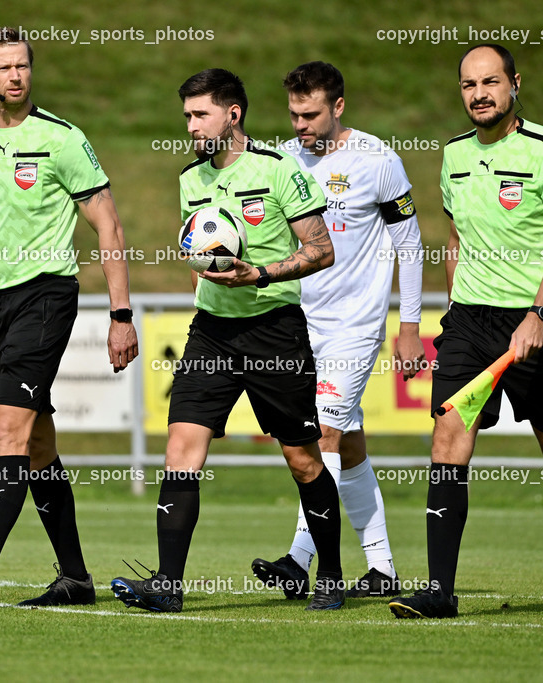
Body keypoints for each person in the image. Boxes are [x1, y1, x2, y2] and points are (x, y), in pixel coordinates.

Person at [0, 27, 139, 609]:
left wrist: (121, 313)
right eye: (4, 67)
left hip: (47, 297)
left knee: (8, 430)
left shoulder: (62, 139)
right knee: (36, 444)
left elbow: (109, 225)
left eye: (23, 65)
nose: (15, 76)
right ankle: (76, 579)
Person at [387, 44, 543, 619]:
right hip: (468, 322)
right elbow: (456, 238)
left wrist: (539, 315)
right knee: (447, 441)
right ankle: (440, 593)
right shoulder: (453, 153)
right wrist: (453, 310)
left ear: (515, 83)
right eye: (469, 85)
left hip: (532, 320)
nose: (479, 94)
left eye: (490, 82)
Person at [110, 68, 343, 612]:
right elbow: (197, 251)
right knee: (179, 450)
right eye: (187, 116)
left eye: (200, 115)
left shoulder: (278, 169)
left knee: (303, 460)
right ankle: (167, 586)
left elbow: (321, 250)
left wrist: (257, 274)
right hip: (212, 333)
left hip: (274, 331)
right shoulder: (190, 180)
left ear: (232, 114)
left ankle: (330, 575)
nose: (191, 126)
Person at [250, 61, 425, 601]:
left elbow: (410, 245)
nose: (300, 125)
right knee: (347, 445)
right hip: (296, 323)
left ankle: (299, 560)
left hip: (354, 325)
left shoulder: (378, 160)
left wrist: (411, 327)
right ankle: (382, 569)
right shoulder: (282, 159)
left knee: (320, 435)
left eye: (310, 114)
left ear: (338, 107)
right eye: (294, 114)